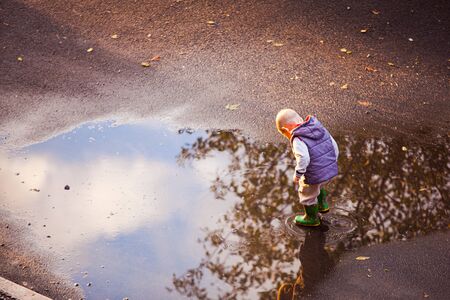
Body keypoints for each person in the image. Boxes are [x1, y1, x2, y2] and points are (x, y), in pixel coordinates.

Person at [276, 109, 339, 226]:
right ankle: (322, 205)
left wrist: (298, 175)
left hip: (314, 174)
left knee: (306, 193)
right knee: (318, 185)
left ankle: (311, 218)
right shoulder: (318, 127)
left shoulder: (298, 139)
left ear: (285, 130)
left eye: (285, 135)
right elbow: (333, 144)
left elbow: (304, 158)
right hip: (328, 170)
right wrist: (332, 162)